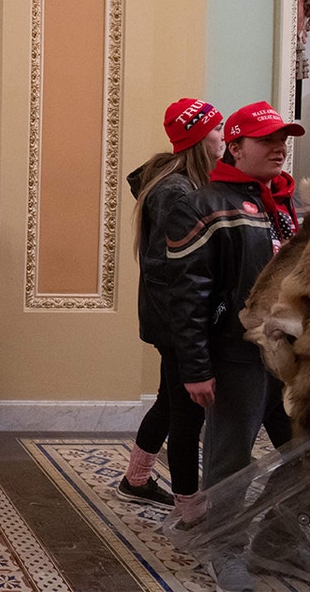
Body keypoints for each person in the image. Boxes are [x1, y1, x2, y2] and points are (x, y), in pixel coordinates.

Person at [164, 101, 310, 591]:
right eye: (267, 140)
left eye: (284, 139)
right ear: (234, 146)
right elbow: (186, 298)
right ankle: (225, 548)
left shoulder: (289, 205)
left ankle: (277, 540)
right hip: (236, 356)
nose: (280, 148)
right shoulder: (203, 205)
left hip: (294, 358)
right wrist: (195, 367)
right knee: (229, 461)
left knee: (309, 450)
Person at [116, 99, 224, 513]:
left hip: (174, 317)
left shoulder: (177, 182)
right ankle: (189, 507)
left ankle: (136, 479)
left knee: (169, 399)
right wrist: (191, 327)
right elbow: (169, 270)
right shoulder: (177, 191)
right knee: (187, 416)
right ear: (198, 137)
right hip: (178, 320)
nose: (223, 135)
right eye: (217, 128)